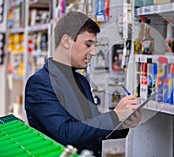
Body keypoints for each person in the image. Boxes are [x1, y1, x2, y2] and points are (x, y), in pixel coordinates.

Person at [25, 11, 140, 156]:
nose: (93, 52)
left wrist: (124, 122)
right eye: (88, 44)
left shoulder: (81, 81)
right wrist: (115, 116)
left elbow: (93, 130)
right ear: (66, 41)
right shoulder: (40, 84)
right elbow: (65, 133)